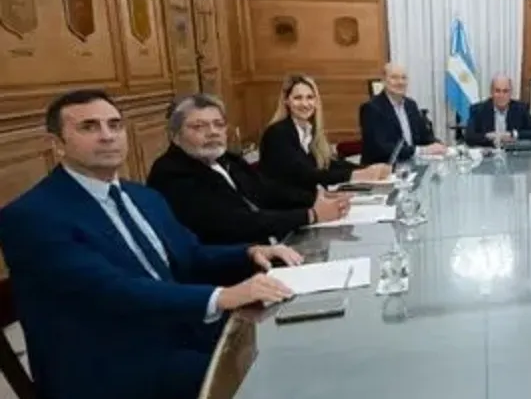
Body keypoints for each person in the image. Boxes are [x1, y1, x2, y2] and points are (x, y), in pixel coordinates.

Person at [0, 89, 300, 399]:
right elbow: (111, 290)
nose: (107, 136)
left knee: (290, 347)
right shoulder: (31, 216)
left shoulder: (143, 196)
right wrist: (222, 296)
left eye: (115, 125)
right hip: (108, 363)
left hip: (176, 331)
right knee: (267, 380)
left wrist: (251, 251)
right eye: (88, 127)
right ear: (57, 144)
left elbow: (191, 254)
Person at [148, 94, 351, 245]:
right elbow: (233, 222)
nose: (213, 132)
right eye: (199, 127)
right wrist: (310, 215)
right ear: (175, 135)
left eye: (218, 124)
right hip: (231, 266)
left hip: (270, 244)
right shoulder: (171, 173)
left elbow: (265, 190)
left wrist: (315, 198)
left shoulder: (227, 159)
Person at [260, 74, 390, 190]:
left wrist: (367, 169)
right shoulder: (277, 133)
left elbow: (328, 164)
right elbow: (304, 174)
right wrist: (355, 175)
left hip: (308, 200)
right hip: (287, 207)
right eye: (298, 98)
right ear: (286, 101)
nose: (305, 104)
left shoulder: (308, 130)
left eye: (310, 97)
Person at [359, 63, 448, 164]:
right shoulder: (371, 108)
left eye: (404, 78)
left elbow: (424, 137)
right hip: (383, 169)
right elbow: (382, 148)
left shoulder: (411, 105)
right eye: (394, 78)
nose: (400, 82)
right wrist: (421, 150)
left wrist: (438, 145)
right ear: (383, 80)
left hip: (412, 165)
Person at [464, 75, 531, 146]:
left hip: (513, 154)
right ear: (491, 92)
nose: (501, 95)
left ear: (510, 93)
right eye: (497, 91)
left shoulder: (521, 109)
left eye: (505, 91)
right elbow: (469, 137)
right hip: (488, 153)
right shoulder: (478, 110)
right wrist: (489, 138)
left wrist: (513, 134)